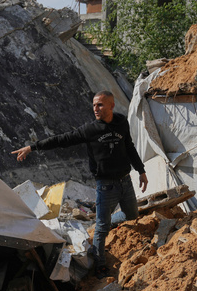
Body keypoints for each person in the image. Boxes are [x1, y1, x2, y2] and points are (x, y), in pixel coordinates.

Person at [12, 90, 148, 276]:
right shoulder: (90, 130)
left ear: (111, 105)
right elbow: (62, 140)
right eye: (93, 105)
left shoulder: (121, 122)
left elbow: (129, 146)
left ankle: (107, 221)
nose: (95, 109)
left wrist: (141, 171)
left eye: (100, 104)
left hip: (126, 181)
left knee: (132, 216)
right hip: (105, 185)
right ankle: (100, 264)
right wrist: (32, 147)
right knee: (101, 228)